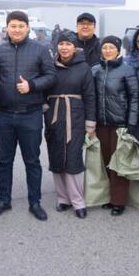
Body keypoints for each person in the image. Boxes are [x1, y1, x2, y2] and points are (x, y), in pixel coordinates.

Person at [0, 11, 57, 221]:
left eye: (21, 26)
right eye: (13, 26)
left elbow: (51, 76)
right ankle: (4, 200)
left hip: (31, 114)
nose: (17, 29)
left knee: (32, 161)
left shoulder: (40, 50)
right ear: (7, 28)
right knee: (4, 161)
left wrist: (32, 85)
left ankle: (35, 202)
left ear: (28, 28)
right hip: (5, 115)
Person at [45, 31, 96, 219]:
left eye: (68, 44)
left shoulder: (84, 68)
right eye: (61, 44)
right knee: (56, 155)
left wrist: (90, 123)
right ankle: (63, 198)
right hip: (54, 116)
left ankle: (78, 201)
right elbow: (42, 89)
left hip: (76, 117)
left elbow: (90, 96)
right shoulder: (50, 66)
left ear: (75, 47)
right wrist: (45, 108)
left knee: (73, 158)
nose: (64, 47)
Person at [92, 35, 139, 216]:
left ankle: (119, 201)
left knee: (119, 163)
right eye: (105, 47)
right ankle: (109, 197)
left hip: (120, 124)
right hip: (101, 123)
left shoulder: (127, 70)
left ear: (118, 50)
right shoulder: (95, 70)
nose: (108, 50)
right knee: (105, 162)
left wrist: (132, 122)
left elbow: (134, 97)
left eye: (111, 47)